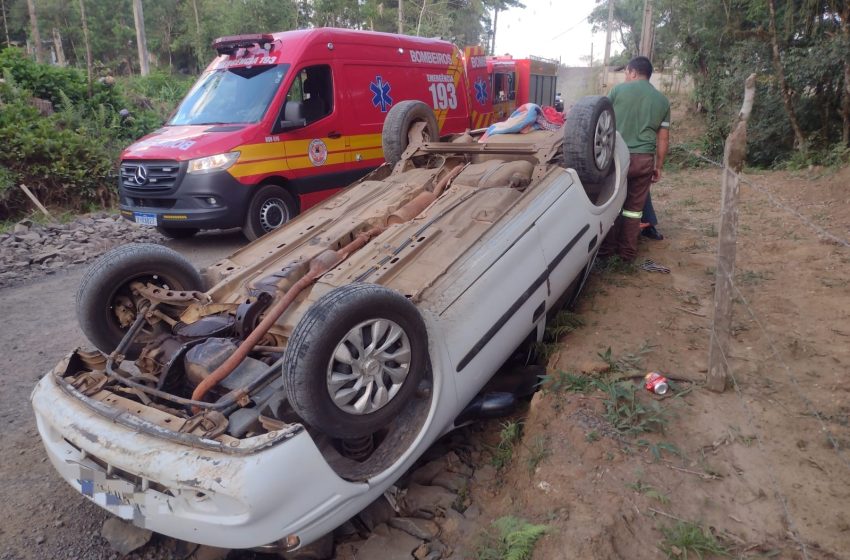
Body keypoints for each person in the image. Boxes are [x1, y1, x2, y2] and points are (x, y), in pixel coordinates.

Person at [599, 56, 670, 261]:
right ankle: (627, 254)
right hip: (644, 160)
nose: (625, 76)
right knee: (634, 211)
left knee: (611, 205)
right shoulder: (662, 100)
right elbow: (663, 137)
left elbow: (600, 121)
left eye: (626, 73)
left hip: (616, 159)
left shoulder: (617, 91)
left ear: (632, 72)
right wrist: (659, 165)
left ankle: (606, 253)